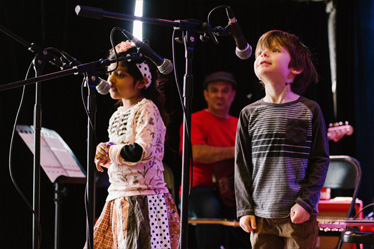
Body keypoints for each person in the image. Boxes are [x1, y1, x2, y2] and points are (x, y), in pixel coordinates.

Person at [235, 30, 330, 249]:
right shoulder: (249, 113)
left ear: (295, 68)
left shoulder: (309, 110)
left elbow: (319, 160)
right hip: (260, 215)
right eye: (260, 52)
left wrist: (306, 202)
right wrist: (245, 209)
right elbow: (242, 166)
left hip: (297, 215)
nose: (263, 54)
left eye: (274, 50)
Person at [88, 41, 180, 249]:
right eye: (110, 73)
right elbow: (119, 149)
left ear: (142, 82)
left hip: (144, 200)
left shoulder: (146, 108)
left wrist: (111, 151)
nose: (110, 80)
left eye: (119, 74)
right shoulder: (116, 115)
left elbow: (140, 151)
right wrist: (103, 151)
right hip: (120, 196)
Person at [179, 71, 246, 248]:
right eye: (214, 90)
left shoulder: (239, 123)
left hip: (234, 188)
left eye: (225, 91)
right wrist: (237, 151)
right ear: (206, 94)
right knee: (209, 207)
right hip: (199, 187)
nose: (220, 95)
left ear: (233, 95)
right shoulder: (194, 120)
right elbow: (196, 153)